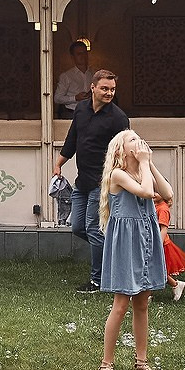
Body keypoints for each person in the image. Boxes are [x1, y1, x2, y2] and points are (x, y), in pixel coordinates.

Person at [97, 130, 173, 370]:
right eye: (132, 139)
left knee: (142, 302)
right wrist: (142, 164)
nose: (138, 141)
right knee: (121, 303)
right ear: (120, 149)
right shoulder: (117, 174)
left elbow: (167, 193)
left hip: (146, 236)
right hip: (126, 241)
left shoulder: (144, 170)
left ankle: (141, 362)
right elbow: (146, 193)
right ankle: (106, 364)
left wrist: (148, 163)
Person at [57, 70, 130, 293]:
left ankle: (98, 281)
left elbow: (126, 152)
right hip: (82, 182)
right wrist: (58, 163)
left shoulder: (118, 118)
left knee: (94, 229)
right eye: (104, 88)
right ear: (93, 88)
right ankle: (115, 256)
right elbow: (72, 138)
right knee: (78, 227)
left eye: (112, 89)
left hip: (103, 182)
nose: (109, 93)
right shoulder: (80, 109)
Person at [156, 196, 185, 301]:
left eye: (157, 191)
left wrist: (158, 245)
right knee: (155, 269)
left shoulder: (163, 209)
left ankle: (145, 296)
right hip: (152, 243)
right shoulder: (154, 205)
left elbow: (163, 228)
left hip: (161, 244)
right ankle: (176, 284)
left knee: (154, 269)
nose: (153, 193)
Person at [53, 40, 94, 116]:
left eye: (85, 53)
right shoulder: (66, 76)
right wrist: (75, 98)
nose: (83, 56)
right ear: (72, 57)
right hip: (71, 114)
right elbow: (57, 98)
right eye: (79, 54)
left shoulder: (93, 74)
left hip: (90, 113)